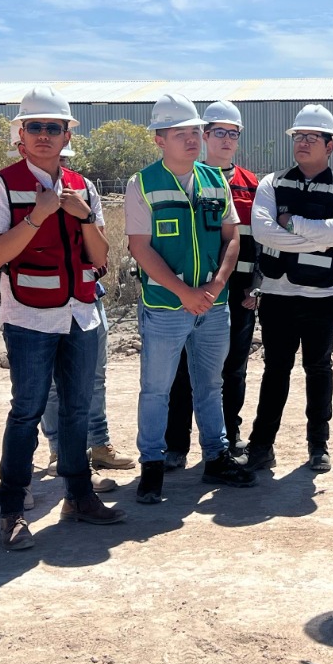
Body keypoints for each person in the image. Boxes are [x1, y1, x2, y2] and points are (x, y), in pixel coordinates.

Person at [0, 86, 125, 551]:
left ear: (67, 136)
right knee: (27, 411)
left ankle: (78, 496)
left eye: (53, 127)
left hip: (81, 314)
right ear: (20, 135)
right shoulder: (0, 185)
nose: (44, 134)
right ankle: (12, 508)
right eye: (35, 127)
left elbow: (100, 257)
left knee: (78, 408)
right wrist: (37, 216)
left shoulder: (85, 187)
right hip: (28, 317)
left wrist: (84, 217)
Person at [126, 92, 256, 503]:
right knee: (156, 389)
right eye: (179, 133)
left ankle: (216, 456)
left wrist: (215, 288)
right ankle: (151, 465)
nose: (191, 139)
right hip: (166, 308)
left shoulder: (215, 180)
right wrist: (184, 293)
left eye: (195, 132)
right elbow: (139, 247)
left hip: (213, 307)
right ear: (159, 139)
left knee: (211, 385)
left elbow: (232, 238)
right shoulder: (143, 183)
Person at [245, 104, 333, 475]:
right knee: (275, 370)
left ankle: (318, 445)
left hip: (324, 297)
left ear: (330, 146)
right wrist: (320, 238)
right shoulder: (271, 183)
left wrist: (290, 222)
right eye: (299, 136)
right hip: (277, 296)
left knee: (319, 369)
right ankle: (261, 446)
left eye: (313, 137)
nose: (303, 142)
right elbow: (263, 232)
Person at [35, 138, 135, 492]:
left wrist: (84, 214)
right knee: (51, 384)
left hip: (87, 296)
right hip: (39, 302)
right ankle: (60, 450)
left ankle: (99, 445)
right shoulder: (15, 188)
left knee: (94, 376)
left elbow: (101, 249)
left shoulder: (84, 188)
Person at [166, 100, 261, 467]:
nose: (226, 139)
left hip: (238, 294)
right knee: (182, 371)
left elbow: (262, 243)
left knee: (233, 369)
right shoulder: (188, 178)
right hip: (192, 291)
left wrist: (257, 285)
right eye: (218, 132)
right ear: (204, 136)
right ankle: (176, 444)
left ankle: (229, 435)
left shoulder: (252, 185)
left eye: (232, 133)